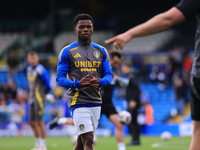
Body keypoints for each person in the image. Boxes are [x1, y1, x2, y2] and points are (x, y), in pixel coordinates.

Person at [105, 0, 200, 149]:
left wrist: (130, 33)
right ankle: (132, 140)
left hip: (197, 74)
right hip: (197, 74)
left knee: (198, 133)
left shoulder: (133, 75)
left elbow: (168, 18)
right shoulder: (124, 75)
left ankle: (134, 140)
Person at [50, 51, 127, 150]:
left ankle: (122, 148)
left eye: (118, 63)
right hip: (96, 102)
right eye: (115, 62)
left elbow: (126, 83)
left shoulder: (112, 73)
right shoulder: (99, 70)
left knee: (119, 123)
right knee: (82, 122)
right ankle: (61, 120)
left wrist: (118, 79)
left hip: (108, 104)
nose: (116, 65)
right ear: (109, 59)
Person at [56, 14, 112, 150]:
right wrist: (77, 84)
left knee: (81, 142)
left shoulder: (101, 51)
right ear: (75, 30)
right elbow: (60, 79)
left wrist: (100, 81)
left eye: (89, 27)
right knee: (89, 139)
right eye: (82, 27)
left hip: (96, 100)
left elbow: (109, 76)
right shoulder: (67, 51)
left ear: (93, 29)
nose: (86, 29)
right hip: (78, 101)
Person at [27, 51, 51, 150]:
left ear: (37, 59)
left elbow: (48, 85)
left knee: (39, 121)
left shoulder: (41, 70)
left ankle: (43, 145)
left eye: (33, 58)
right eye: (30, 58)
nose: (32, 60)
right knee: (31, 122)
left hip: (39, 99)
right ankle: (37, 144)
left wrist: (44, 96)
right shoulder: (28, 69)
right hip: (31, 98)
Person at [121, 62, 141, 146]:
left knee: (131, 121)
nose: (122, 69)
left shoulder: (132, 76)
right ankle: (136, 139)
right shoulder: (131, 75)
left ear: (127, 67)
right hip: (133, 101)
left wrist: (133, 100)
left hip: (133, 102)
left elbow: (136, 88)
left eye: (123, 67)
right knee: (134, 120)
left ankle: (135, 139)